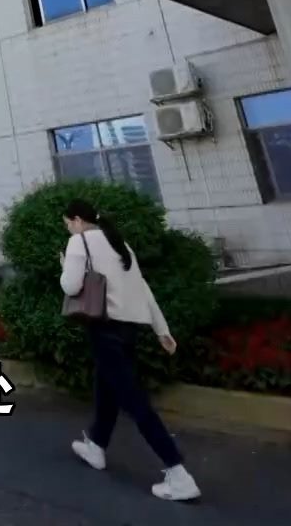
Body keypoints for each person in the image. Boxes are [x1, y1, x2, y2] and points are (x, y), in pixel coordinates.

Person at [59, 200, 200, 502]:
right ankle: (96, 446)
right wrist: (161, 329)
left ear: (78, 220)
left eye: (68, 223)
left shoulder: (78, 242)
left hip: (104, 328)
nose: (69, 229)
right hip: (129, 330)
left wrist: (63, 268)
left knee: (134, 401)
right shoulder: (120, 244)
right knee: (107, 387)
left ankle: (178, 474)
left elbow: (70, 287)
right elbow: (142, 288)